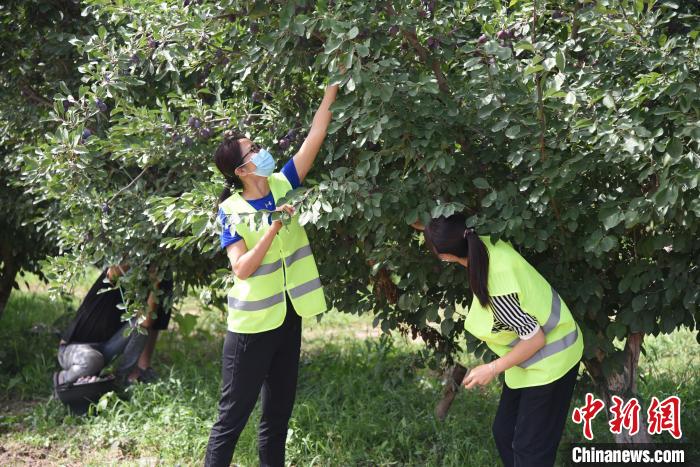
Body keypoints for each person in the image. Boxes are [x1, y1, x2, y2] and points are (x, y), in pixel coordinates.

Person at [204, 81, 339, 467]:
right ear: (242, 169)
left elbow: (316, 135)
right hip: (250, 329)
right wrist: (274, 227)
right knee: (231, 419)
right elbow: (242, 268)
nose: (261, 152)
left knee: (277, 417)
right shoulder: (231, 209)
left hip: (288, 316)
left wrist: (330, 93)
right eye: (254, 150)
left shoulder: (282, 183)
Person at [413, 213, 583, 467]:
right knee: (505, 433)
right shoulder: (482, 240)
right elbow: (441, 228)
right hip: (530, 364)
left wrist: (490, 369)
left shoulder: (498, 288)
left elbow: (535, 339)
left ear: (446, 257)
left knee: (530, 449)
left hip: (552, 361)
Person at [55, 264, 173, 387]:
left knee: (140, 327)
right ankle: (63, 379)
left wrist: (156, 281)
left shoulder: (148, 286)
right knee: (92, 360)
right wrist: (141, 257)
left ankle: (119, 380)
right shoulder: (116, 272)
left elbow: (146, 322)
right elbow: (112, 274)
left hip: (105, 349)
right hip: (73, 348)